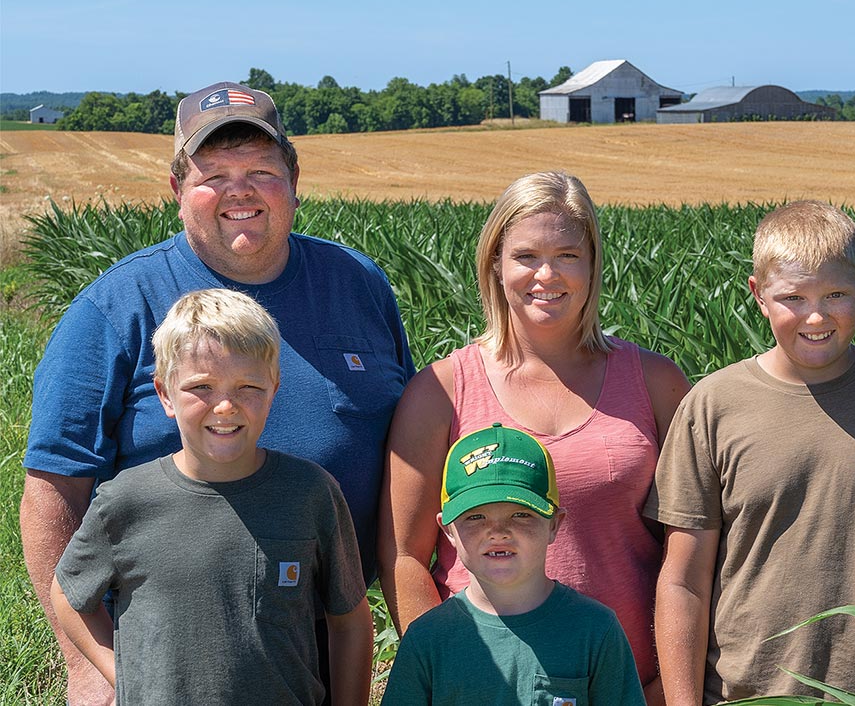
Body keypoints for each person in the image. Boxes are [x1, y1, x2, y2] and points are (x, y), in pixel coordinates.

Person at [21, 81, 414, 705]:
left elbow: (402, 454)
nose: (241, 190)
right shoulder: (117, 305)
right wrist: (91, 666)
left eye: (262, 169)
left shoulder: (357, 283)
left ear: (293, 179)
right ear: (178, 188)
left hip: (318, 639)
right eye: (215, 173)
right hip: (171, 650)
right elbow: (54, 488)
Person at [644, 200, 855, 705]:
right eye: (793, 296)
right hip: (740, 694)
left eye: (836, 294)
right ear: (758, 295)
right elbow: (683, 580)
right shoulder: (713, 405)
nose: (816, 315)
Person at [378, 170, 691, 703]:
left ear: (593, 266)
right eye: (525, 256)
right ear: (495, 265)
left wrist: (671, 686)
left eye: (568, 254)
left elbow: (692, 549)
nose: (547, 274)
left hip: (632, 685)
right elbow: (405, 557)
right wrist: (450, 672)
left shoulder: (658, 383)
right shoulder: (441, 391)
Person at [50, 289, 372, 705]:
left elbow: (350, 623)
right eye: (201, 386)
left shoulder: (312, 494)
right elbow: (68, 594)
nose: (225, 406)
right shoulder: (125, 500)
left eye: (247, 386)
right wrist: (125, 676)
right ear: (165, 394)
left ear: (274, 388)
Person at [381, 422, 646, 704]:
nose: (498, 531)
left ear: (555, 524)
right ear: (448, 531)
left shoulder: (595, 629)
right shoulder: (428, 638)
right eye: (475, 517)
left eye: (520, 514)